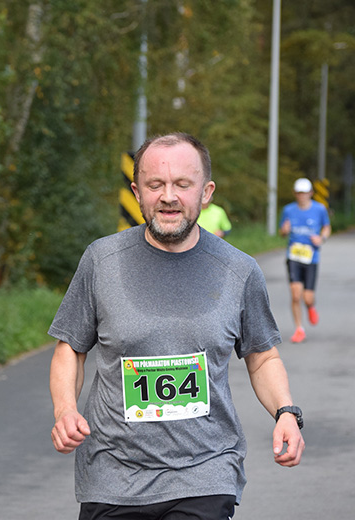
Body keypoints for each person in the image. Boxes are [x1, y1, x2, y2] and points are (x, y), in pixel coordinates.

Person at [49, 133, 304, 520]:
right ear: (137, 192)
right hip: (113, 473)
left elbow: (262, 356)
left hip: (205, 471)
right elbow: (70, 346)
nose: (168, 196)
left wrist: (286, 412)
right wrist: (65, 410)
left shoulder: (238, 271)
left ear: (206, 192)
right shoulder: (102, 261)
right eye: (156, 185)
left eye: (183, 185)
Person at [279, 178, 331, 343]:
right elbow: (282, 231)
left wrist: (321, 238)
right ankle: (299, 329)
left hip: (311, 258)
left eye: (305, 193)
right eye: (299, 193)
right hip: (293, 257)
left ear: (311, 193)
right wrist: (284, 230)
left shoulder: (319, 209)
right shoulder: (288, 210)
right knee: (295, 295)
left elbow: (327, 227)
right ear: (295, 194)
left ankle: (310, 306)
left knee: (307, 297)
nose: (302, 196)